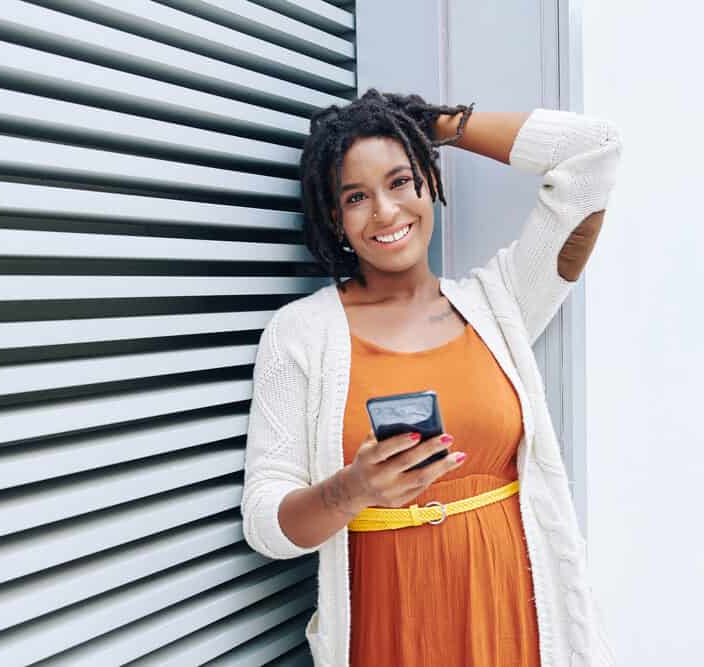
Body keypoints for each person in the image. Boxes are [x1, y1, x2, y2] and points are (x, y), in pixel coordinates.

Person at [240, 89, 622, 666]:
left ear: (430, 183)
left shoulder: (502, 303)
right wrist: (352, 489)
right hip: (387, 629)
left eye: (400, 181)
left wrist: (436, 126)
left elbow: (595, 154)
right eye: (356, 197)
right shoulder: (299, 333)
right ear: (335, 219)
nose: (386, 212)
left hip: (513, 622)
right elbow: (265, 523)